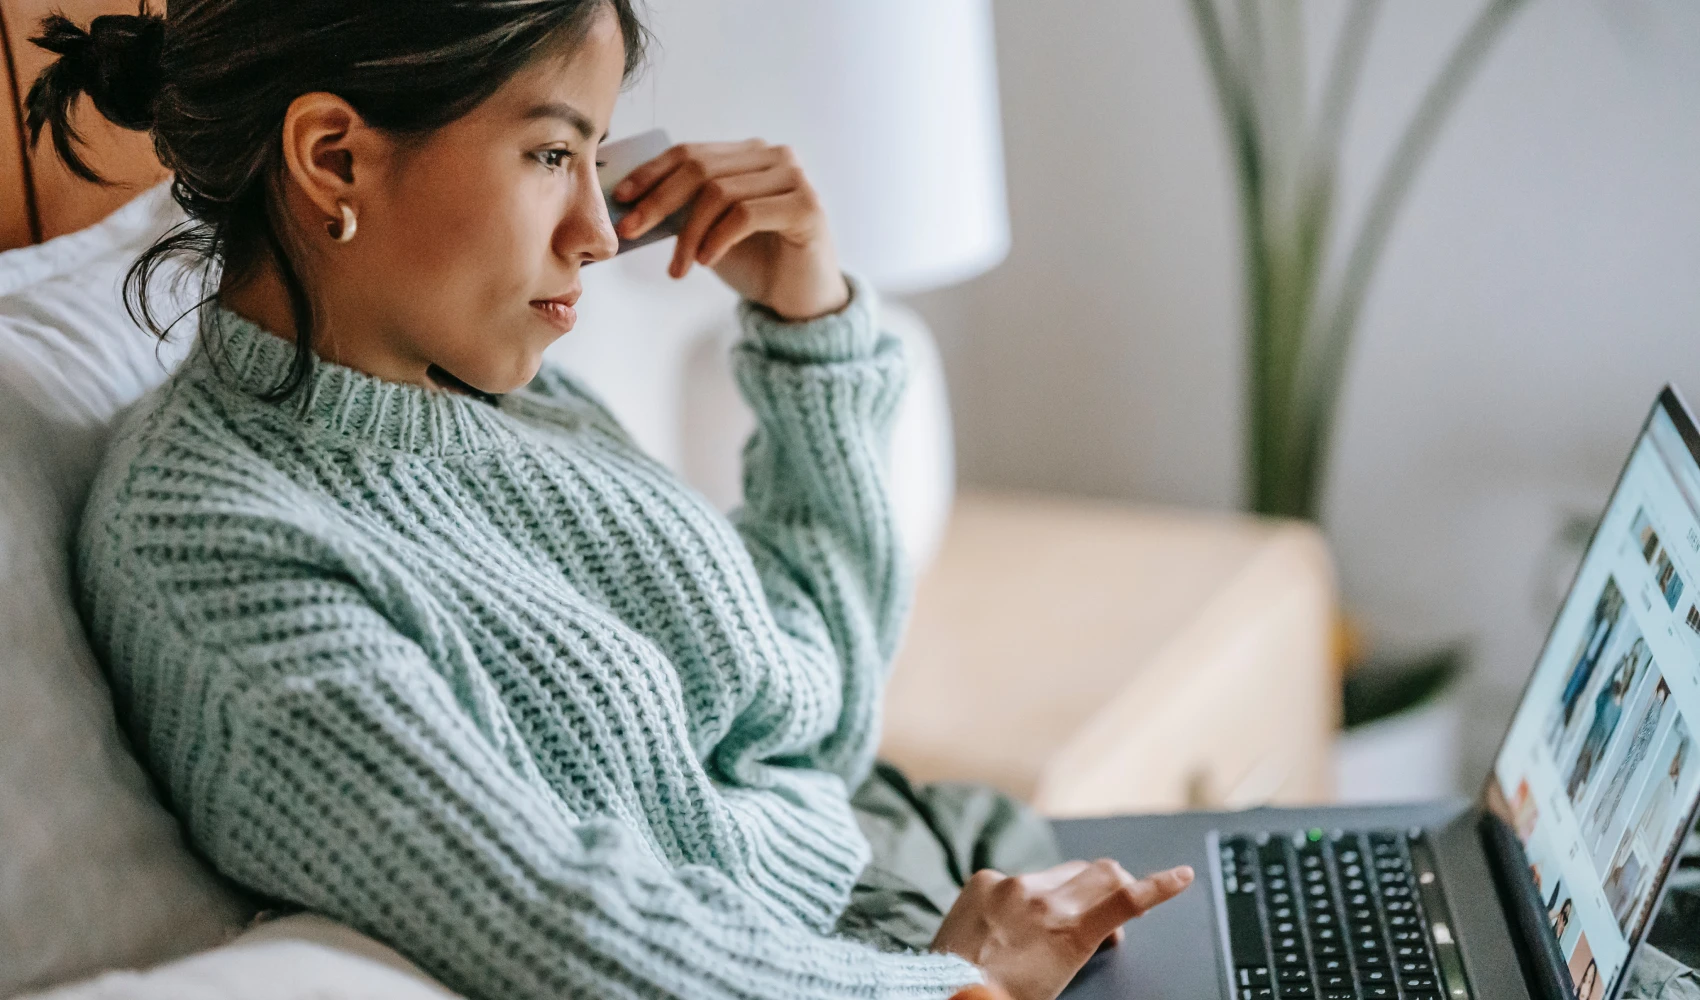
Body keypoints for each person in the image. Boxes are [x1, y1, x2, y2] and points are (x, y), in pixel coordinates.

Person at [31, 3, 1193, 1000]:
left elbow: (809, 722)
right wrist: (961, 982)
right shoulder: (211, 546)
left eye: (596, 158)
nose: (594, 234)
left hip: (914, 867)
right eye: (548, 156)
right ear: (333, 156)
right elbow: (558, 924)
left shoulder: (492, 391)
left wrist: (810, 330)